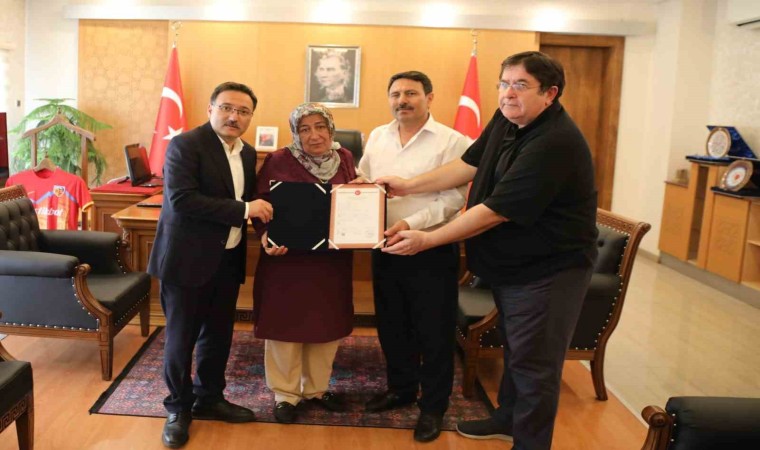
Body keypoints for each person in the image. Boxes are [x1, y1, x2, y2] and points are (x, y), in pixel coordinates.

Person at [375, 51, 598, 450]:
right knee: (518, 353)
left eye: (521, 85)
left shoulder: (554, 142)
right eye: (504, 83)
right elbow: (467, 165)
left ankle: (529, 443)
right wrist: (409, 185)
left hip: (548, 272)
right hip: (514, 268)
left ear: (550, 93)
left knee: (534, 367)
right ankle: (507, 421)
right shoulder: (508, 118)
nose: (508, 93)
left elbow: (495, 211)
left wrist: (428, 238)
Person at [147, 81, 273, 449]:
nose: (235, 116)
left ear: (251, 116)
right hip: (186, 260)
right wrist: (246, 210)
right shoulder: (185, 145)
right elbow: (182, 200)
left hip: (227, 258)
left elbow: (246, 197)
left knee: (218, 335)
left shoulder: (247, 153)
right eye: (227, 108)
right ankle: (178, 408)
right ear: (210, 109)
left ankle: (210, 397)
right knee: (181, 339)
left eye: (243, 111)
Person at [357, 71, 470, 443]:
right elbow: (364, 182)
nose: (401, 100)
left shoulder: (453, 141)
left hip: (431, 246)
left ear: (429, 97)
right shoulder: (378, 135)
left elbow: (453, 200)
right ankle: (401, 389)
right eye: (395, 94)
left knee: (434, 331)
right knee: (392, 324)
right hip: (384, 245)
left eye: (411, 93)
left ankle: (433, 406)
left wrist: (411, 224)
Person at [252, 102, 357, 424]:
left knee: (326, 325)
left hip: (331, 262)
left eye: (320, 127)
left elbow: (354, 199)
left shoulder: (345, 158)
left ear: (331, 128)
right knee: (284, 326)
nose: (314, 135)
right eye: (305, 129)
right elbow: (261, 203)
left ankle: (316, 389)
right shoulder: (278, 159)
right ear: (295, 133)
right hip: (288, 261)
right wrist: (266, 235)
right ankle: (285, 394)